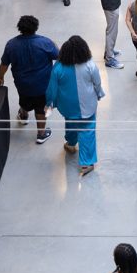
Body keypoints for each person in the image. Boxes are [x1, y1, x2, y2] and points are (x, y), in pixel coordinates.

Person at [45, 35, 106, 177]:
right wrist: (99, 93)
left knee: (71, 122)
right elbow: (97, 82)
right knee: (87, 131)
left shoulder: (58, 67)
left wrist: (50, 103)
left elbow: (52, 89)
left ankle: (71, 143)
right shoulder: (90, 64)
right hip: (87, 106)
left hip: (67, 106)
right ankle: (86, 163)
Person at [0, 15, 59, 143]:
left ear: (20, 28)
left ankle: (23, 116)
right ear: (36, 27)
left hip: (22, 84)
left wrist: (0, 78)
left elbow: (4, 64)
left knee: (24, 99)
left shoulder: (11, 44)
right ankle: (41, 134)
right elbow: (59, 56)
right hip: (43, 85)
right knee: (41, 109)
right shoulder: (45, 42)